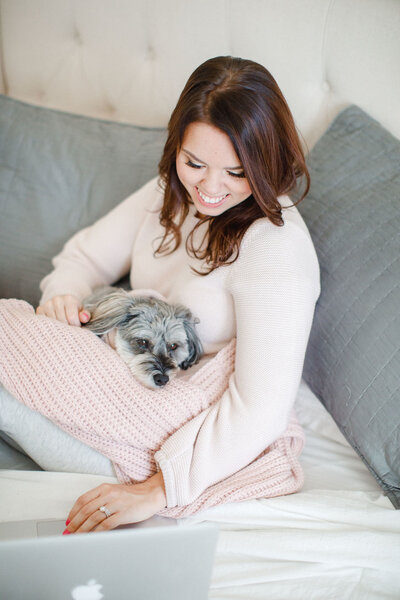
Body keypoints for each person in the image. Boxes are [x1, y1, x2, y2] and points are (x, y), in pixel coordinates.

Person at [17, 56, 321, 533]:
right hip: (116, 376)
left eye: (237, 172)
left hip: (181, 415)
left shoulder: (276, 248)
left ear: (267, 162)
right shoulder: (170, 192)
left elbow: (260, 409)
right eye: (194, 162)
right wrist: (61, 299)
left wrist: (157, 489)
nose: (211, 188)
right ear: (176, 144)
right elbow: (83, 260)